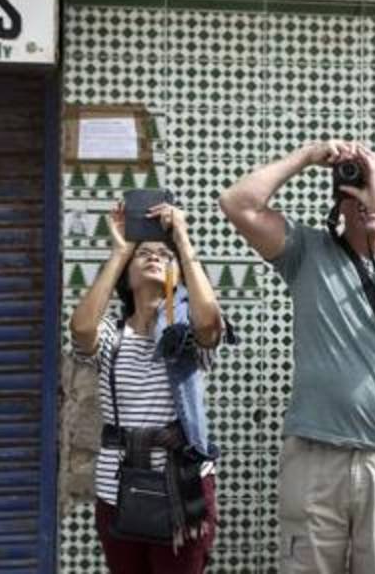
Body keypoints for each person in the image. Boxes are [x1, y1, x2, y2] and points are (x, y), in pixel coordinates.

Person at [218, 140, 375, 574]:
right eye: (359, 184)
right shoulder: (307, 252)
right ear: (339, 199)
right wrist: (307, 156)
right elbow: (237, 204)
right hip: (315, 457)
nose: (369, 193)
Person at [69, 200, 229, 574]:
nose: (155, 257)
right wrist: (121, 249)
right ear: (127, 275)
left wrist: (183, 242)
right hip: (117, 487)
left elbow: (211, 323)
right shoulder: (113, 335)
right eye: (144, 254)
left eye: (164, 254)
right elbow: (81, 330)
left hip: (183, 487)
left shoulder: (185, 332)